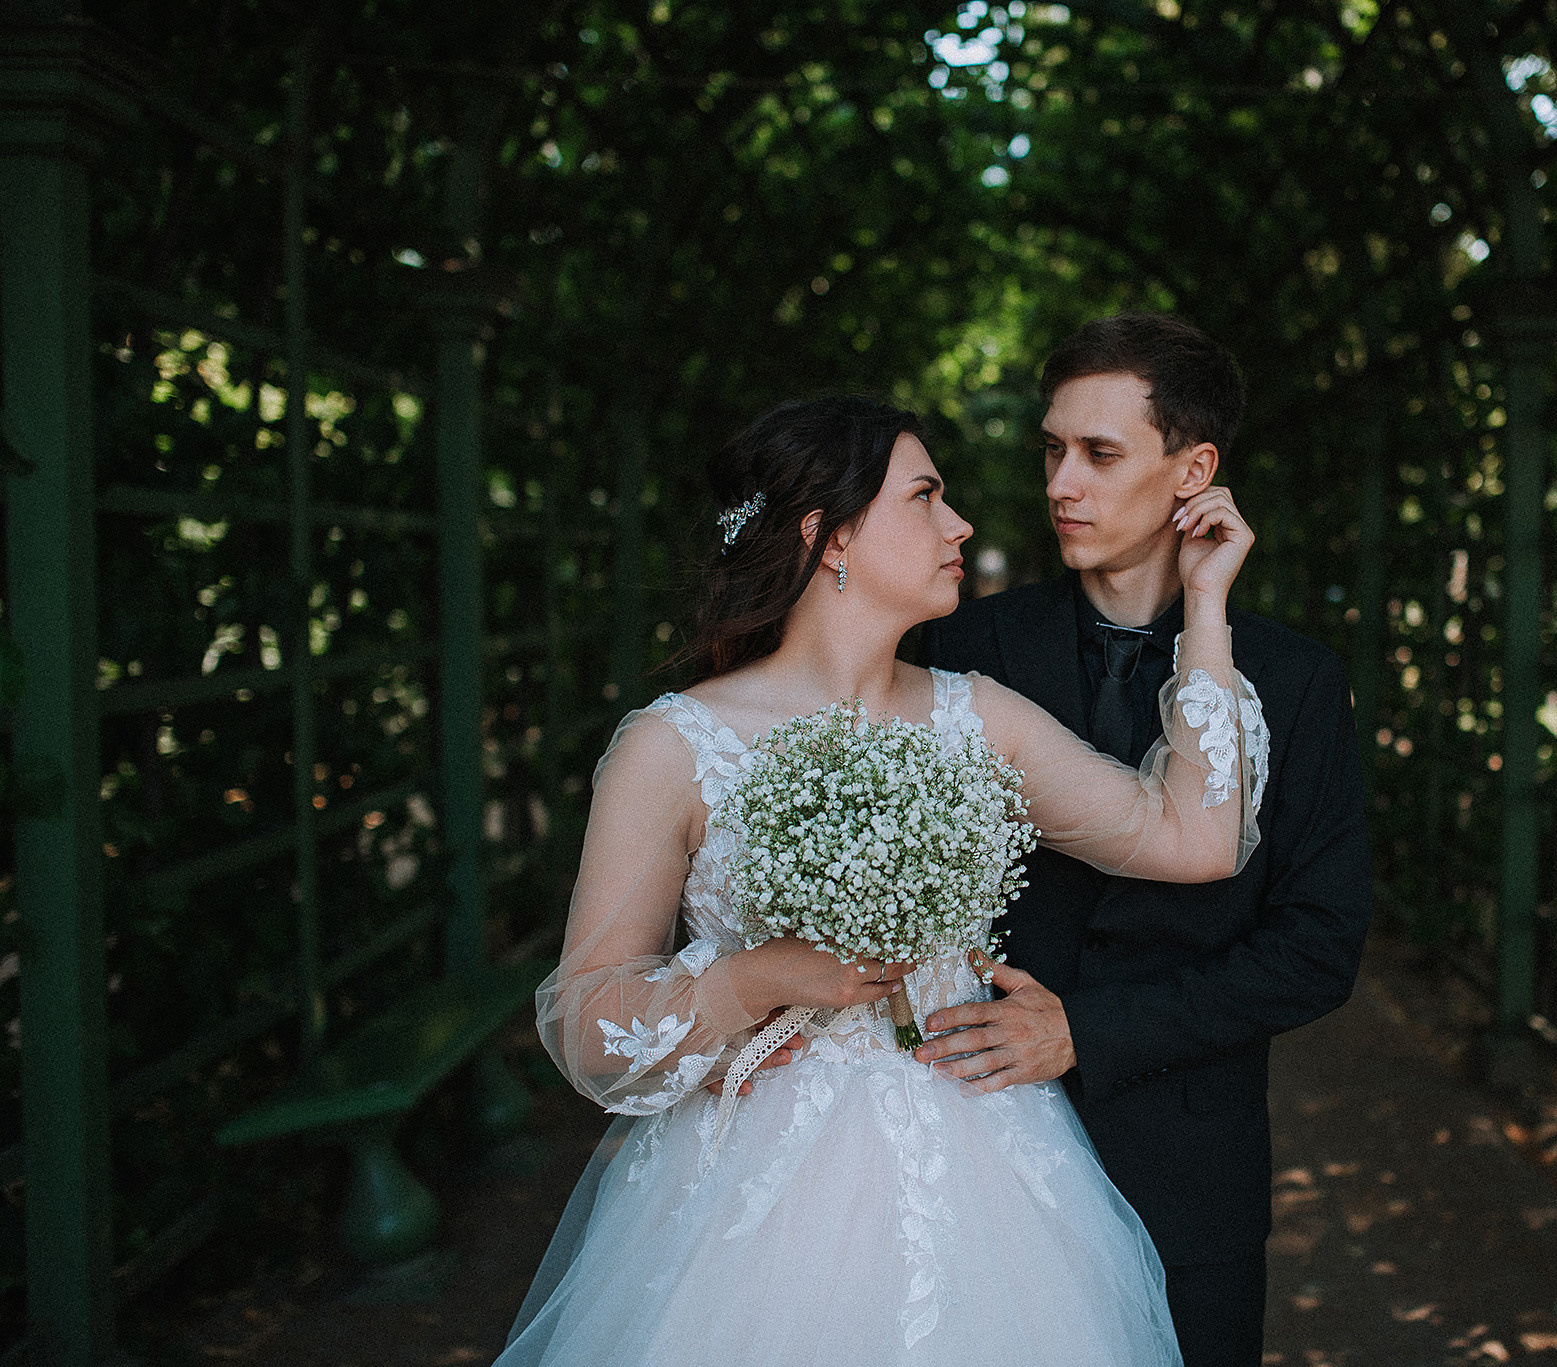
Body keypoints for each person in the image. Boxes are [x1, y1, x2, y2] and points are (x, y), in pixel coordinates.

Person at [498, 395, 1267, 1366]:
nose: (960, 525)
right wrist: (754, 978)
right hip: (752, 1204)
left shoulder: (978, 719)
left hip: (984, 1171)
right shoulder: (674, 746)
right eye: (925, 496)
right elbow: (587, 1019)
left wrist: (1204, 604)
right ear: (830, 537)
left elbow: (1193, 838)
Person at [922, 314, 1373, 1367]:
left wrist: (1088, 1028)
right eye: (1051, 449)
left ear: (1194, 470)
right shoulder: (959, 646)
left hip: (1187, 1166)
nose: (1060, 483)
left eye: (1099, 453)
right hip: (972, 1140)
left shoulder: (1296, 680)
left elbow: (1316, 946)